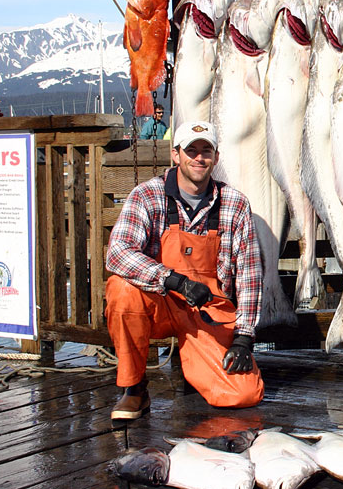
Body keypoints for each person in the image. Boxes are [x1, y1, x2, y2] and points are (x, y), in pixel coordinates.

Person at [104, 120, 264, 420]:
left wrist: (244, 337)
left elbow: (249, 276)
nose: (199, 158)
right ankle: (134, 389)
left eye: (206, 151)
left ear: (216, 157)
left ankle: (200, 366)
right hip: (160, 302)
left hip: (208, 310)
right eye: (191, 150)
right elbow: (118, 253)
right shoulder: (147, 195)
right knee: (122, 290)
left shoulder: (235, 204)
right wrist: (173, 280)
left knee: (243, 395)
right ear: (176, 155)